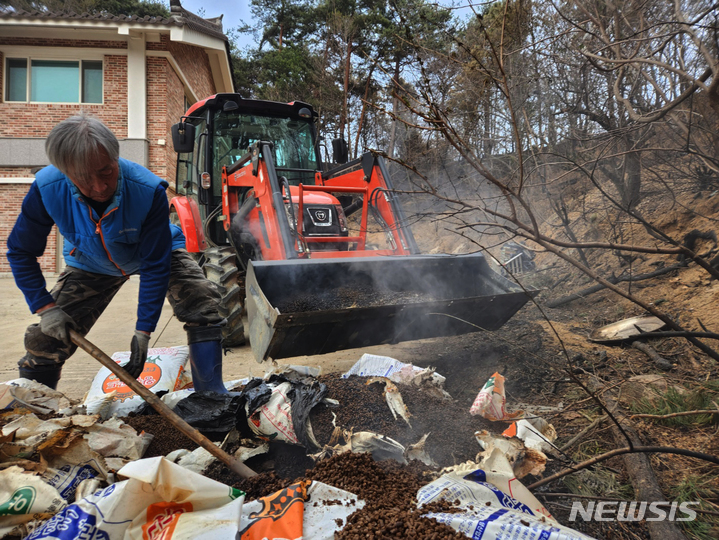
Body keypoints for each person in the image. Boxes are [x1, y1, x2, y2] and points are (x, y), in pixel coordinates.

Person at [7, 114, 229, 393]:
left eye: (106, 172)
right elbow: (20, 252)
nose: (99, 188)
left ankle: (212, 397)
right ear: (65, 172)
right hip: (90, 262)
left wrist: (143, 331)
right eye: (84, 178)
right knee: (45, 340)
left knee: (202, 301)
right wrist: (45, 308)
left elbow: (155, 265)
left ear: (115, 157)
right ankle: (37, 414)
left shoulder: (147, 190)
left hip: (156, 253)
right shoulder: (47, 189)